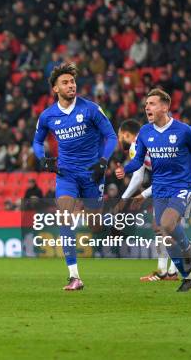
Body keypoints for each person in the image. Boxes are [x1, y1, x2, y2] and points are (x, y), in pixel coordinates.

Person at [116, 88, 191, 292]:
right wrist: (124, 169)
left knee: (167, 224)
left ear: (165, 107)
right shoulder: (145, 132)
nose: (147, 107)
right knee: (163, 233)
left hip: (181, 187)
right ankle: (187, 277)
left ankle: (186, 247)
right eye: (146, 105)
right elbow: (138, 161)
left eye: (152, 103)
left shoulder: (183, 130)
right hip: (159, 189)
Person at [32, 62, 117, 291]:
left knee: (95, 226)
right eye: (65, 82)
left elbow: (112, 137)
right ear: (55, 89)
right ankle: (74, 276)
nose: (71, 85)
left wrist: (103, 162)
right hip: (66, 174)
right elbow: (37, 141)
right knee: (64, 216)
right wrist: (44, 158)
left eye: (72, 81)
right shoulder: (48, 115)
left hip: (92, 174)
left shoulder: (90, 109)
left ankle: (111, 224)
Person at [116, 119, 179, 282]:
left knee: (165, 228)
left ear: (126, 134)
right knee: (164, 227)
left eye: (119, 136)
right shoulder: (148, 139)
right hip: (174, 182)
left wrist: (124, 199)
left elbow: (137, 177)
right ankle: (166, 271)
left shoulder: (135, 146)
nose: (118, 140)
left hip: (175, 184)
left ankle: (171, 271)